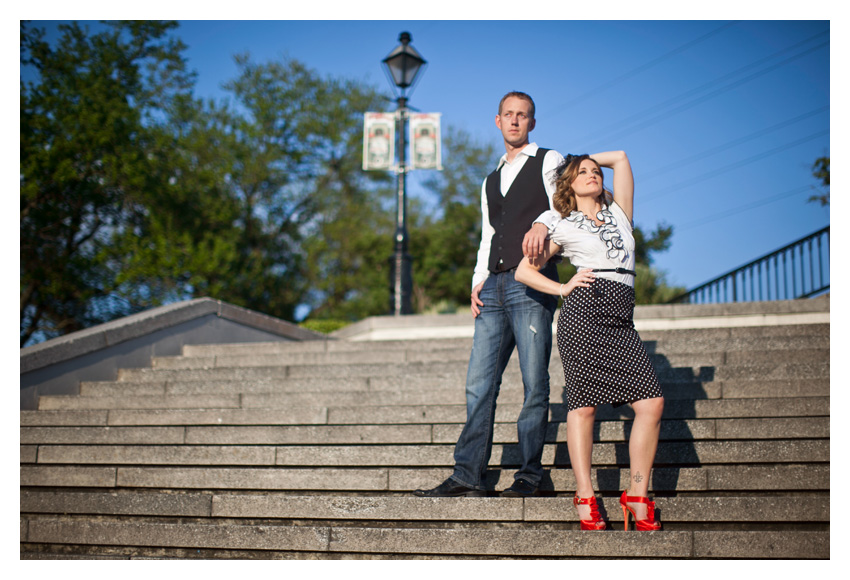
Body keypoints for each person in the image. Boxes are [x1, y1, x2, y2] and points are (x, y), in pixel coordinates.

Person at [414, 91, 569, 498]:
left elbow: (565, 206)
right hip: (494, 288)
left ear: (532, 123)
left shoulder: (549, 161)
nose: (516, 121)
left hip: (531, 282)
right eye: (509, 115)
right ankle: (468, 474)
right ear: (497, 121)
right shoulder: (490, 178)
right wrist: (476, 281)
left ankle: (531, 476)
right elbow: (489, 234)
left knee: (534, 383)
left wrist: (542, 223)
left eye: (523, 115)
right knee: (478, 384)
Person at [515, 151, 665, 531]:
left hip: (621, 317)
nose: (592, 174)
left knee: (651, 402)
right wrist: (562, 287)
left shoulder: (620, 212)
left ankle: (636, 493)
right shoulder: (562, 224)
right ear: (568, 182)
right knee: (583, 407)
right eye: (581, 172)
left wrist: (577, 158)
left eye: (595, 172)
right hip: (583, 312)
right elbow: (523, 271)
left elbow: (622, 158)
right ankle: (585, 495)